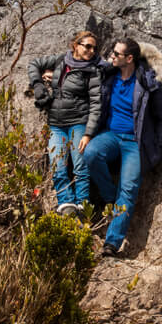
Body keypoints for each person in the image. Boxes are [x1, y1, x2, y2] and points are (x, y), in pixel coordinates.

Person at [84, 38, 162, 256]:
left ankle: (112, 243)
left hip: (136, 142)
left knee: (130, 189)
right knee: (90, 153)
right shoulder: (109, 75)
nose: (111, 56)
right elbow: (81, 62)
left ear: (129, 58)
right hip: (111, 135)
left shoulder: (148, 82)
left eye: (116, 54)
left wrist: (159, 145)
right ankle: (111, 198)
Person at [27, 31, 103, 215]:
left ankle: (83, 205)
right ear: (76, 45)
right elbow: (34, 64)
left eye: (94, 48)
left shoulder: (92, 72)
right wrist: (37, 84)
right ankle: (66, 204)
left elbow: (96, 104)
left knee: (80, 166)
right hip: (56, 124)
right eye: (87, 46)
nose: (91, 51)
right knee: (57, 165)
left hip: (79, 123)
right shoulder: (62, 60)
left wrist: (88, 133)